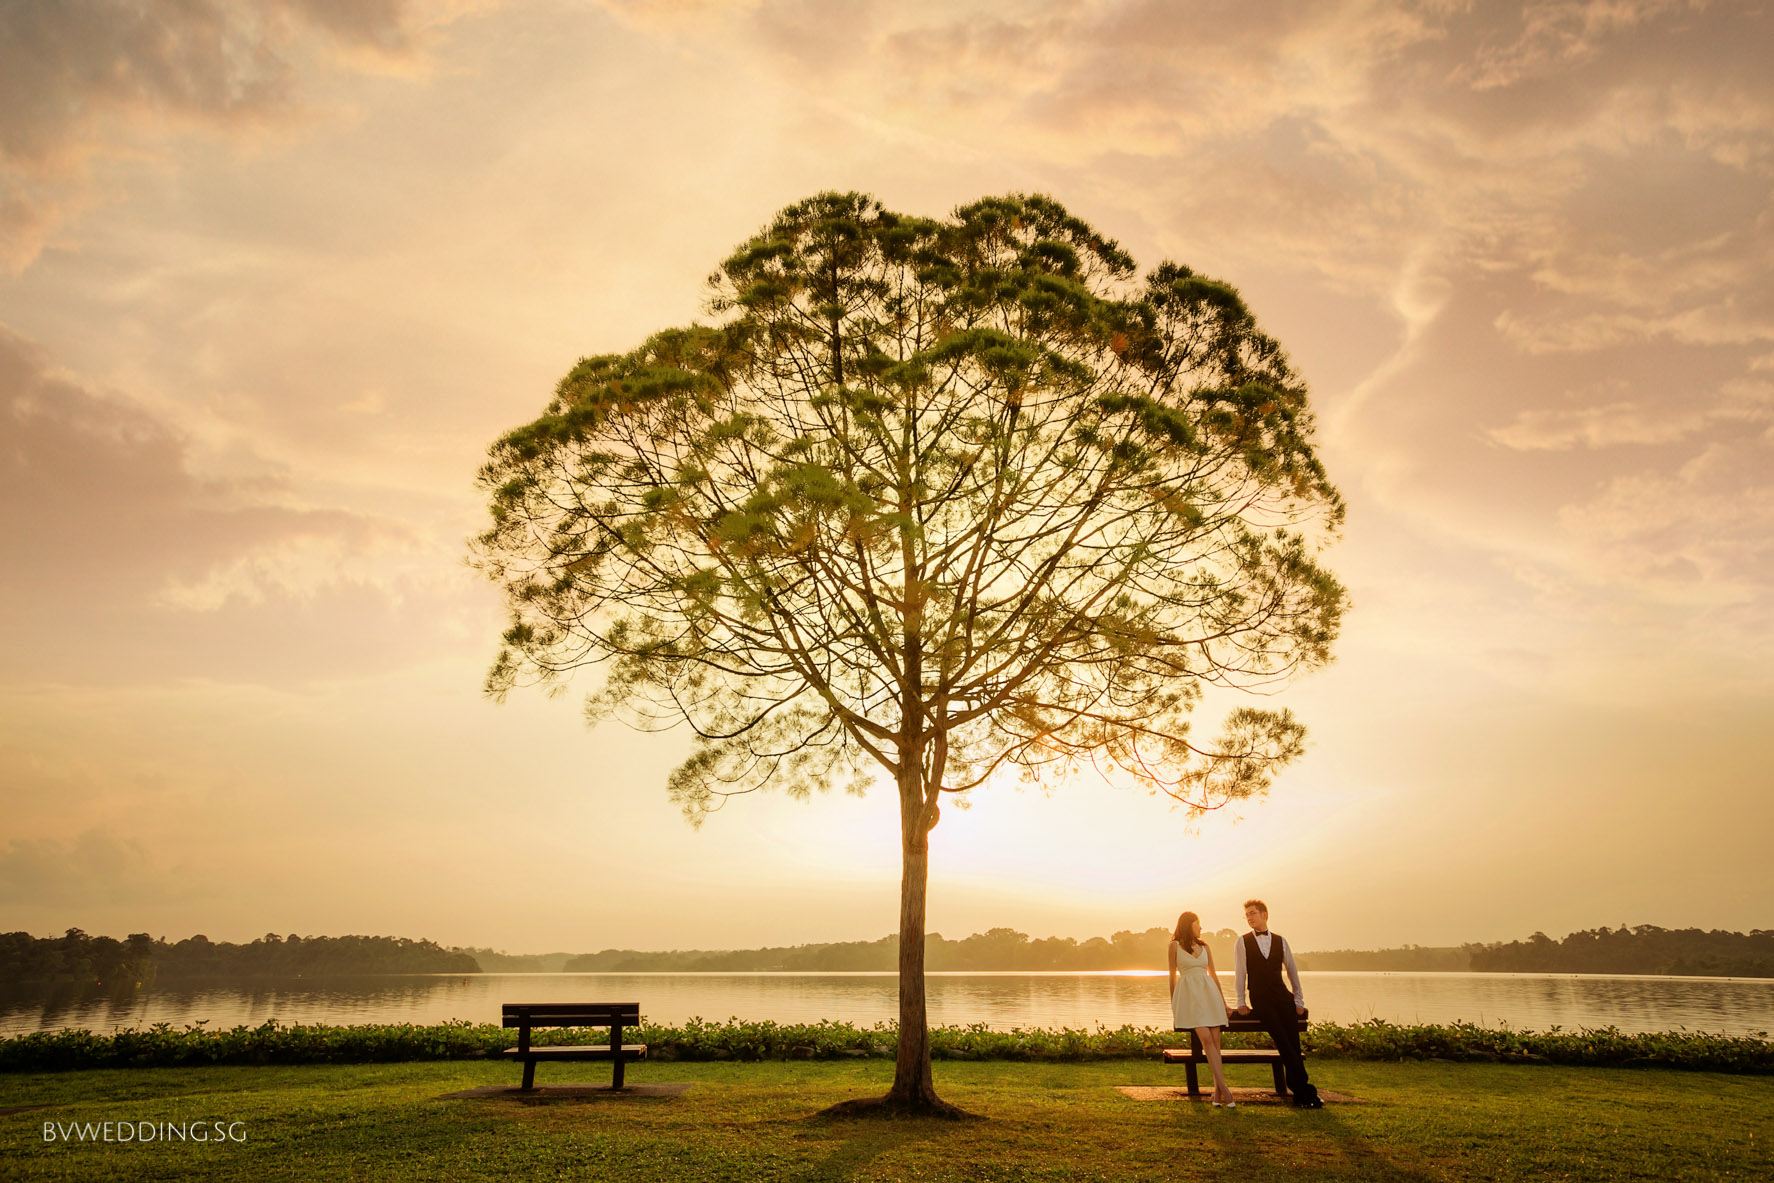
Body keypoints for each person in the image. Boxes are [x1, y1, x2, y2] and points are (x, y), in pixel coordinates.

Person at [1233, 898, 1321, 1108]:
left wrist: (1298, 999)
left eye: (1252, 914)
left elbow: (1292, 971)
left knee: (1293, 1041)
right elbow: (1240, 973)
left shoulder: (1281, 941)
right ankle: (1304, 1091)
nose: (1249, 918)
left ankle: (1302, 1092)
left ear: (1264, 915)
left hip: (1282, 996)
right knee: (1282, 1040)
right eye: (1246, 916)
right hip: (1261, 998)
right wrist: (1240, 1002)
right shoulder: (1242, 941)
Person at [1168, 910, 1236, 1107]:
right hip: (1190, 997)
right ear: (1189, 924)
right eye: (1198, 924)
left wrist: (1223, 1003)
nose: (1201, 927)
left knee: (1215, 1040)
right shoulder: (1174, 946)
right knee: (1206, 1039)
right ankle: (1225, 1090)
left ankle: (1216, 1094)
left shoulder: (1205, 946)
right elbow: (1172, 977)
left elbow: (1213, 975)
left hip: (1209, 994)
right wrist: (1174, 1003)